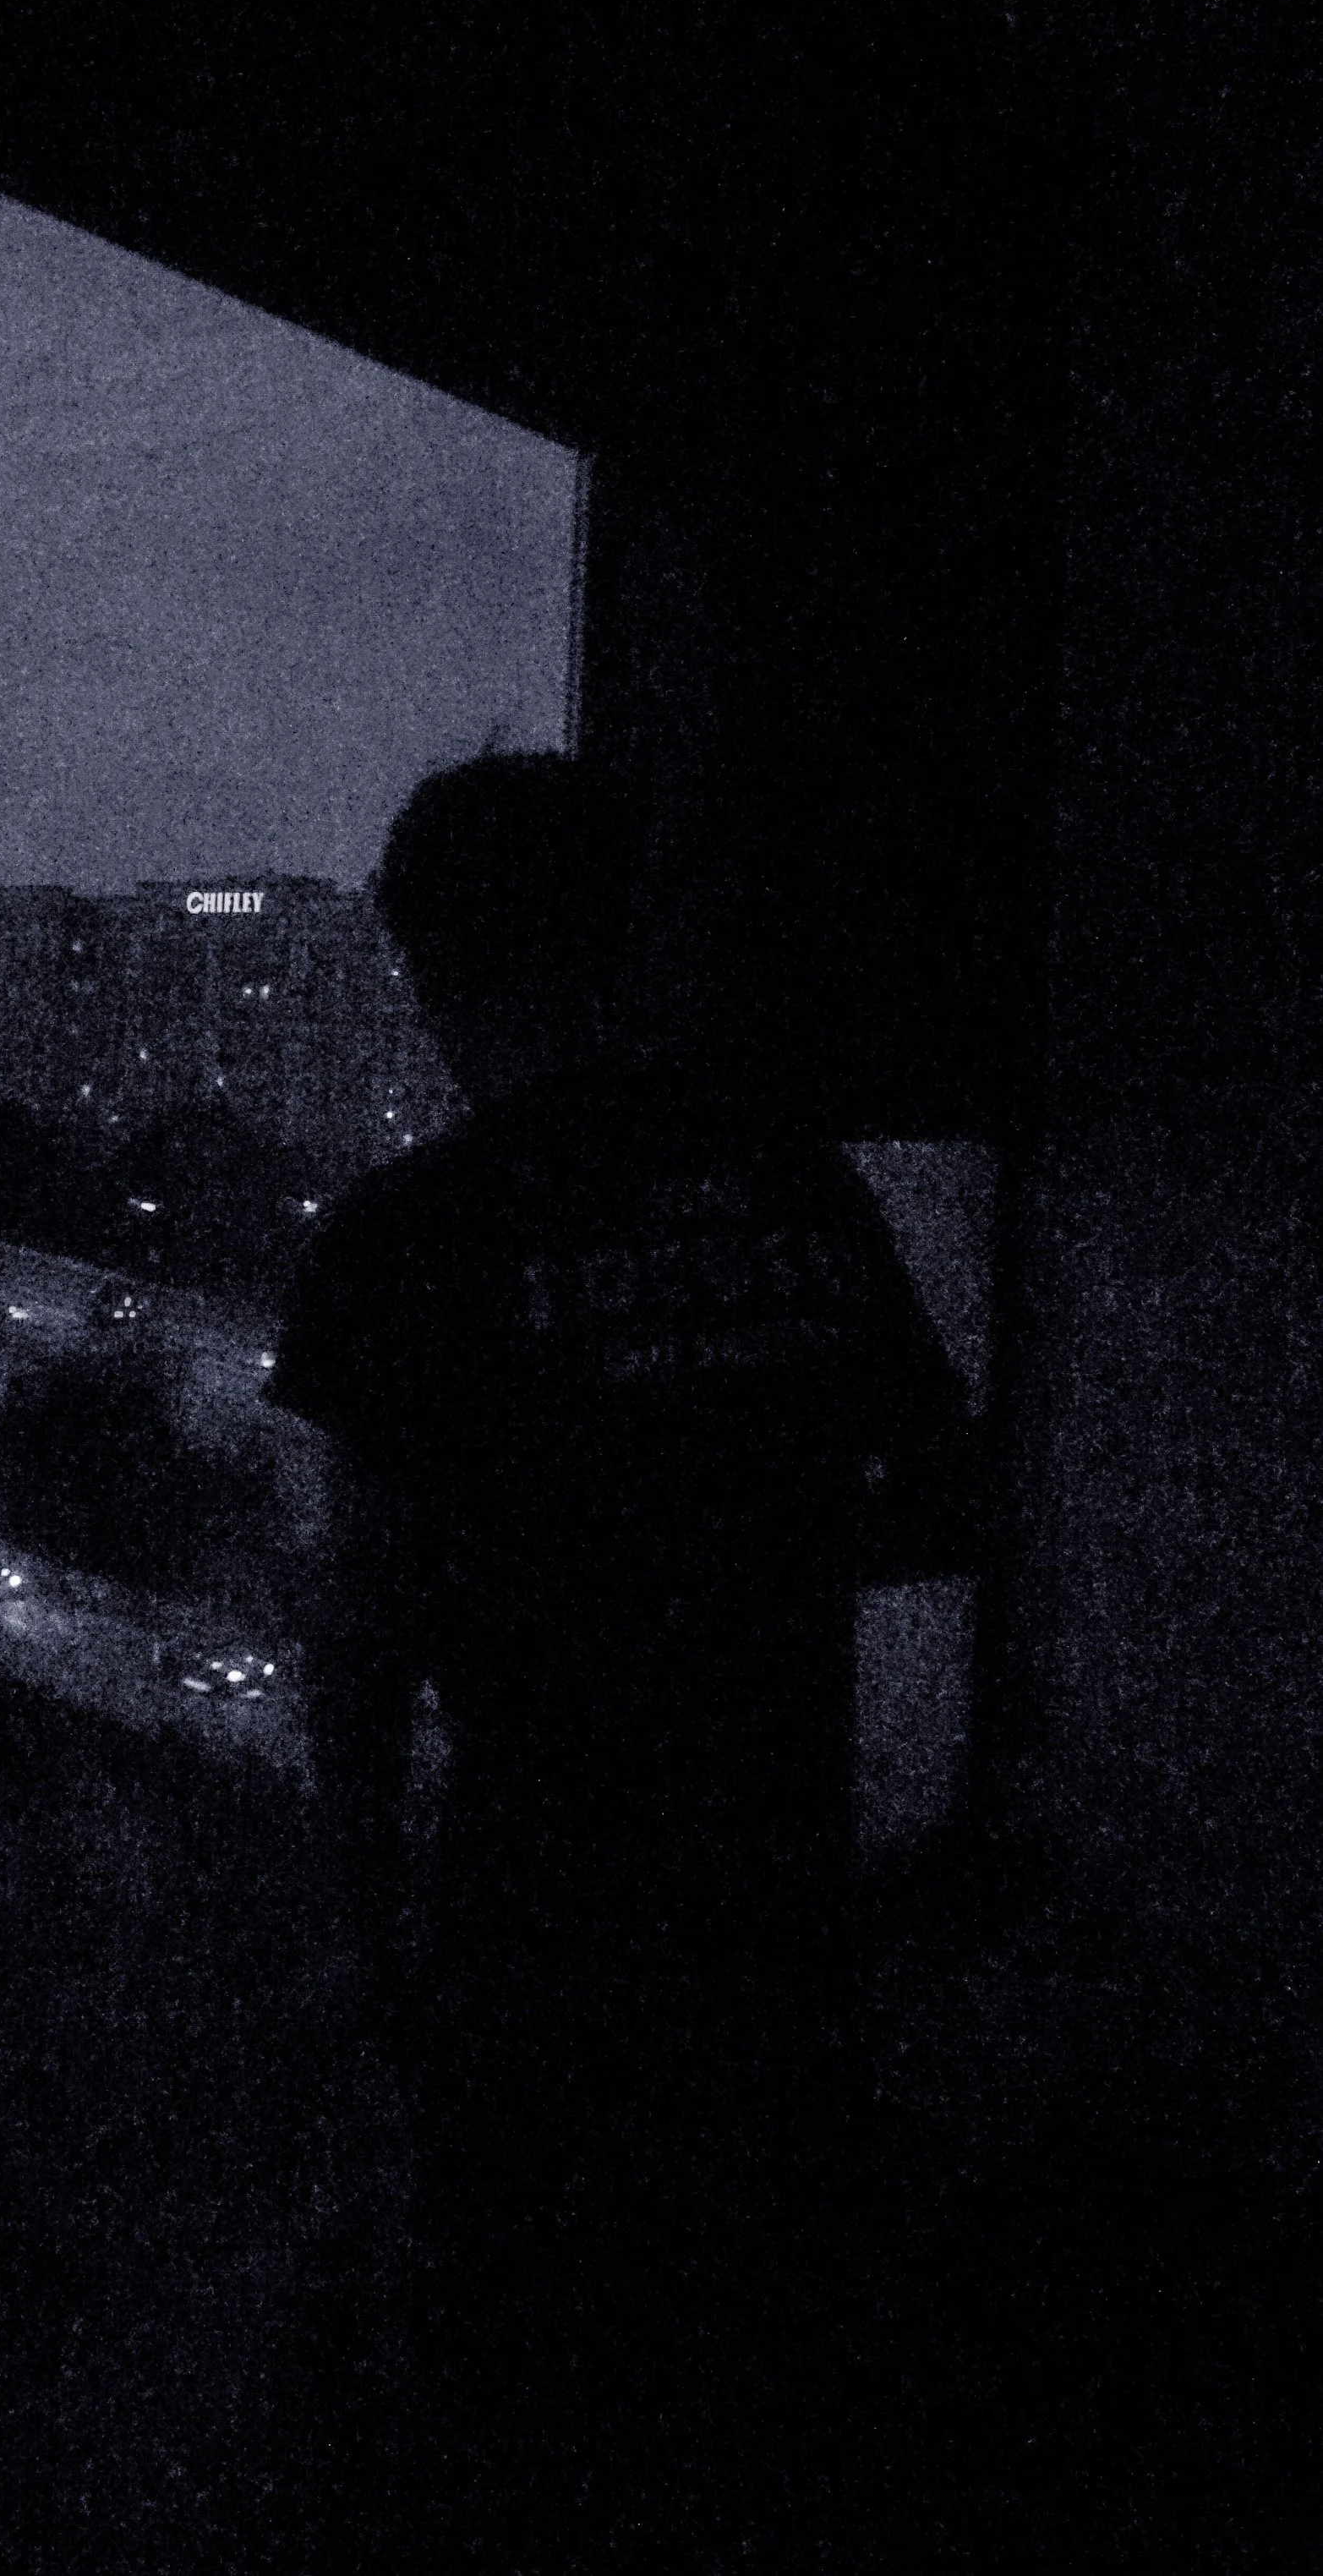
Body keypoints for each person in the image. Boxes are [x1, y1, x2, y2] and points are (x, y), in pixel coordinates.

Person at [265, 752, 979, 2568]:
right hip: (780, 1922)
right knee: (759, 2408)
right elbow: (930, 1491)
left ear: (421, 963)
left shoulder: (401, 1246)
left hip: (541, 1947)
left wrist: (354, 1950)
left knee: (532, 2419)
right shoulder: (796, 1186)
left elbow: (353, 1644)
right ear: (627, 939)